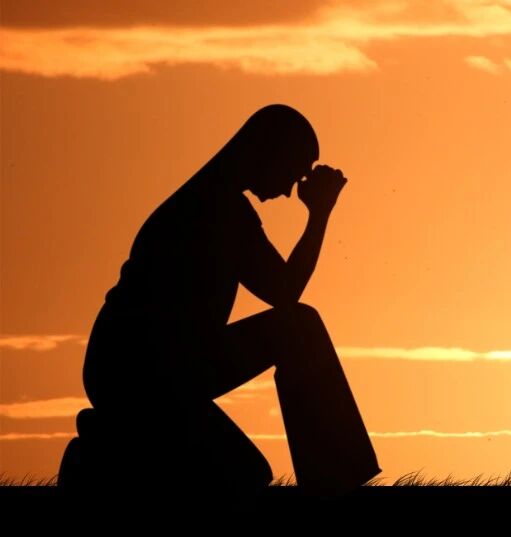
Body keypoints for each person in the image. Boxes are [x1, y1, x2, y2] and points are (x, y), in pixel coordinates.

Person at [58, 104, 381, 496]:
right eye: (293, 170)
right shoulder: (218, 209)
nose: (288, 189)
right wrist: (319, 215)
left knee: (244, 471)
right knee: (299, 327)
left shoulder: (212, 201)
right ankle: (337, 480)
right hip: (141, 371)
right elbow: (284, 291)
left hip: (149, 369)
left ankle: (103, 452)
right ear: (268, 153)